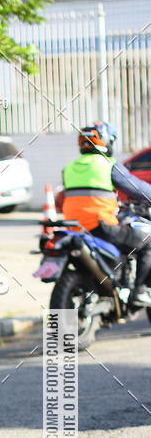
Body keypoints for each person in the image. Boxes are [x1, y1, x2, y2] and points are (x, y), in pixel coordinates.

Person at [61, 122, 151, 306]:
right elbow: (139, 189)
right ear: (107, 141)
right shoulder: (108, 165)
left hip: (75, 228)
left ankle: (58, 335)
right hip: (100, 226)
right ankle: (141, 291)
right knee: (148, 241)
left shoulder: (69, 168)